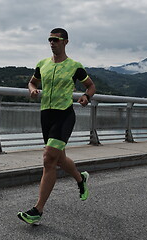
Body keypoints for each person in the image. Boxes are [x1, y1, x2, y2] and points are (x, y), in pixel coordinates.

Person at [17, 28, 96, 225]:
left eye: (56, 40)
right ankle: (81, 179)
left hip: (64, 115)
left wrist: (86, 96)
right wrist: (33, 90)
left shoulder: (74, 66)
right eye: (50, 39)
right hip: (46, 115)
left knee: (48, 159)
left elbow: (91, 86)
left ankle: (38, 209)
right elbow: (32, 83)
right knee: (59, 159)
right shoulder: (42, 64)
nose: (52, 43)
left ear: (65, 42)